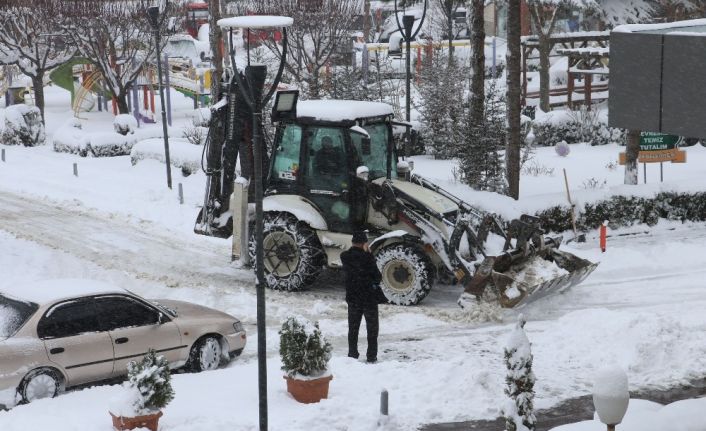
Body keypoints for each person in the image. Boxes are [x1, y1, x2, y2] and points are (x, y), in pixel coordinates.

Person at [341, 230, 383, 363]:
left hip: (353, 298)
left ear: (352, 242)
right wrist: (368, 253)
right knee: (372, 329)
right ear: (365, 243)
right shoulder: (368, 257)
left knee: (353, 328)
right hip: (368, 298)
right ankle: (371, 356)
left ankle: (352, 354)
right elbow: (377, 277)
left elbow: (350, 256)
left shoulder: (345, 256)